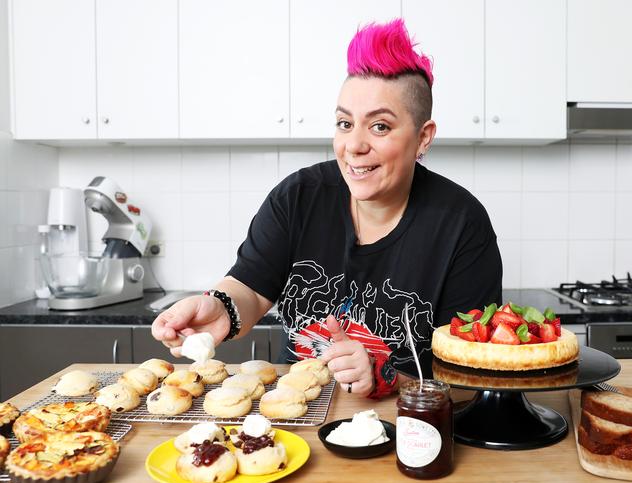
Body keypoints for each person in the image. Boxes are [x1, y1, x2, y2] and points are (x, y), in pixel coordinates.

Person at [151, 18, 502, 398]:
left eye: (380, 127)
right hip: (297, 415)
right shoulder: (299, 197)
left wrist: (384, 377)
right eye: (344, 123)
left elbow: (473, 384)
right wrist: (221, 308)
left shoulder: (462, 225)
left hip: (408, 432)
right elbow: (249, 287)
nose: (354, 145)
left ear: (423, 137)